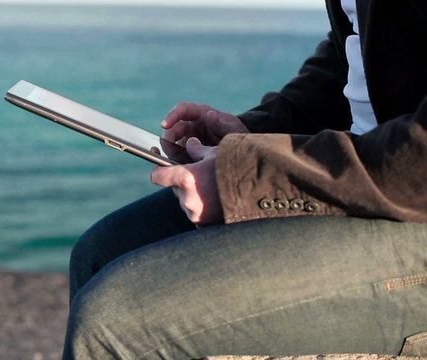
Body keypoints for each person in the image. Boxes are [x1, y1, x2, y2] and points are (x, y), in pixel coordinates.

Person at [63, 0, 427, 358]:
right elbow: (357, 53)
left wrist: (248, 173)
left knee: (116, 320)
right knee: (101, 250)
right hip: (371, 179)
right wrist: (254, 131)